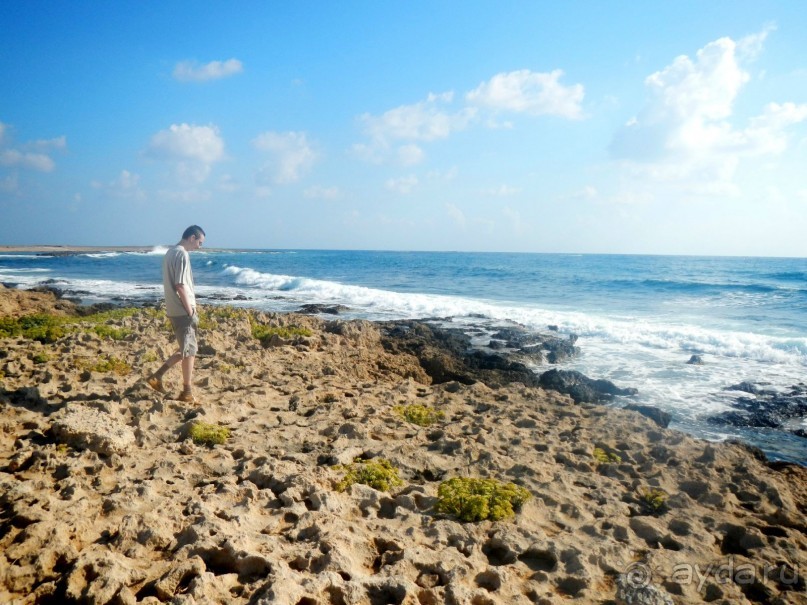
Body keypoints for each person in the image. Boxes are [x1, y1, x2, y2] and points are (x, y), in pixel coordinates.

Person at [147, 225, 205, 402]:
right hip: (182, 311)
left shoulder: (170, 252)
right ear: (192, 238)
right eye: (200, 242)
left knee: (186, 348)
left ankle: (157, 376)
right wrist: (190, 310)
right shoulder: (181, 254)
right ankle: (186, 392)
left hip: (174, 309)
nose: (199, 247)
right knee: (190, 352)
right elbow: (180, 285)